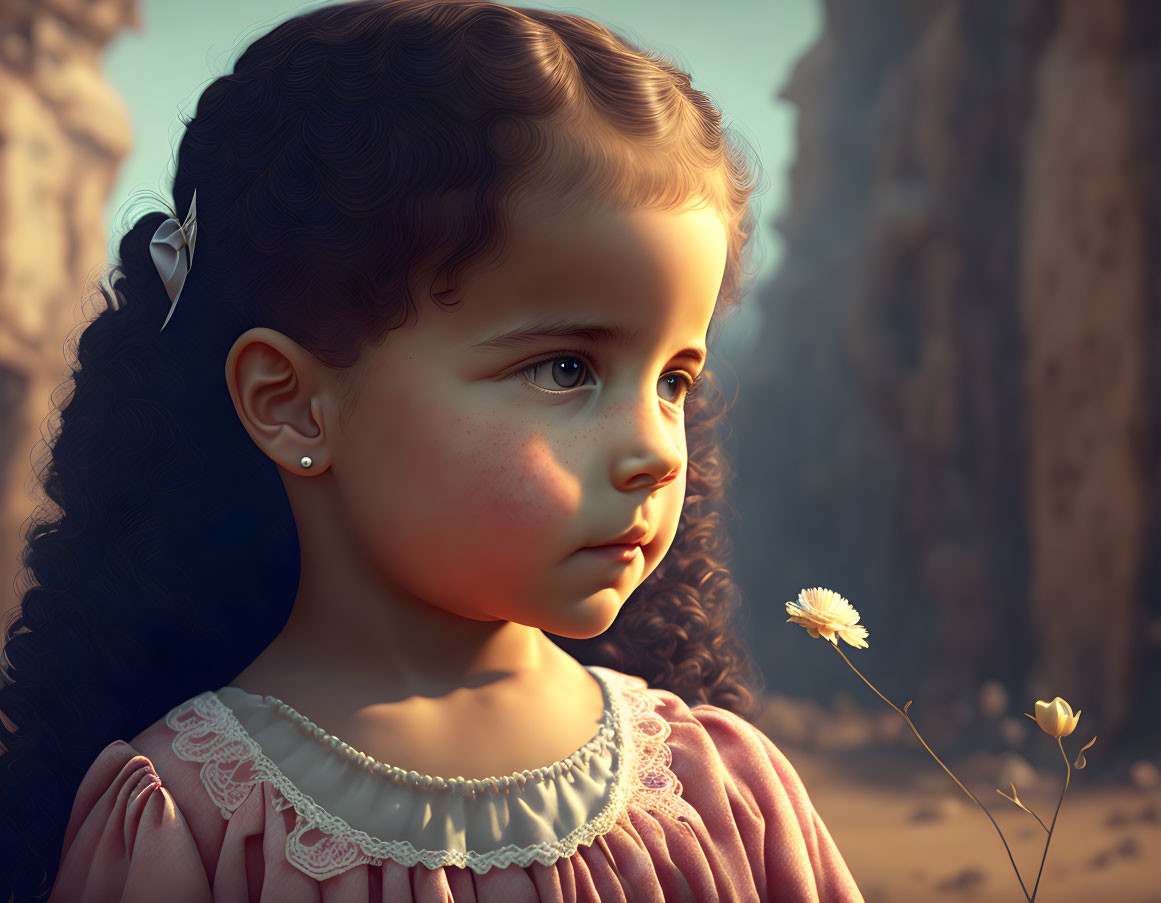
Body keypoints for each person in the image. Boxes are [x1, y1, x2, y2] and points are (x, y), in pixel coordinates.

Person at [0, 1, 864, 899]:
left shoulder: (720, 791)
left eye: (674, 381)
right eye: (566, 368)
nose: (655, 449)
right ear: (291, 403)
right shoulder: (195, 822)